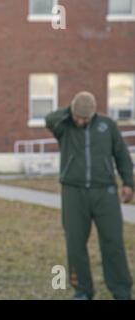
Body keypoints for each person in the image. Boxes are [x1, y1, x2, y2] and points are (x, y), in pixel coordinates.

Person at [45, 91, 133, 300]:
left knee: (113, 242)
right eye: (77, 115)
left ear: (93, 114)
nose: (79, 120)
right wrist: (71, 110)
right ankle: (82, 290)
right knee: (75, 243)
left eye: (84, 117)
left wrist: (128, 182)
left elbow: (121, 154)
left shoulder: (107, 126)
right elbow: (49, 119)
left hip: (105, 191)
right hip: (73, 192)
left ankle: (121, 290)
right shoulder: (64, 126)